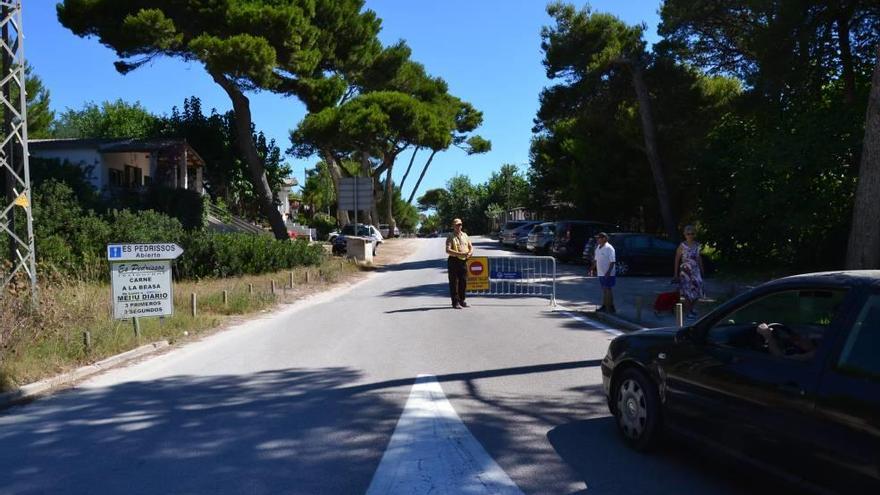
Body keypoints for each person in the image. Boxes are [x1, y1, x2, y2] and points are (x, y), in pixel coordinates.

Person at [674, 225, 705, 320]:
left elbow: (698, 258)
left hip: (695, 270)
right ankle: (689, 311)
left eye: (692, 233)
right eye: (688, 234)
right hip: (685, 271)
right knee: (687, 292)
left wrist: (702, 269)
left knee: (698, 289)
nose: (690, 235)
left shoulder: (697, 245)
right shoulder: (682, 245)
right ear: (684, 234)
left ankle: (691, 308)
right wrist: (675, 273)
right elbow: (677, 259)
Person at [445, 218, 473, 309]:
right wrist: (460, 254)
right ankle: (455, 302)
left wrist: (470, 253)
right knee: (453, 283)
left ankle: (462, 300)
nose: (458, 226)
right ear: (453, 226)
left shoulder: (465, 235)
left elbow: (470, 246)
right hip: (453, 261)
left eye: (460, 224)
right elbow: (448, 250)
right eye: (456, 225)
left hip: (463, 261)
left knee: (463, 282)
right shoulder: (450, 236)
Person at [589, 232, 616, 313]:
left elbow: (612, 261)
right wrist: (591, 269)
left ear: (604, 238)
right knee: (604, 289)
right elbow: (596, 260)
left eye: (599, 238)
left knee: (608, 289)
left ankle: (610, 307)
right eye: (597, 238)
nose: (597, 239)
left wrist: (608, 272)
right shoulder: (598, 247)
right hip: (601, 272)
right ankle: (605, 306)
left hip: (608, 273)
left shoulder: (609, 248)